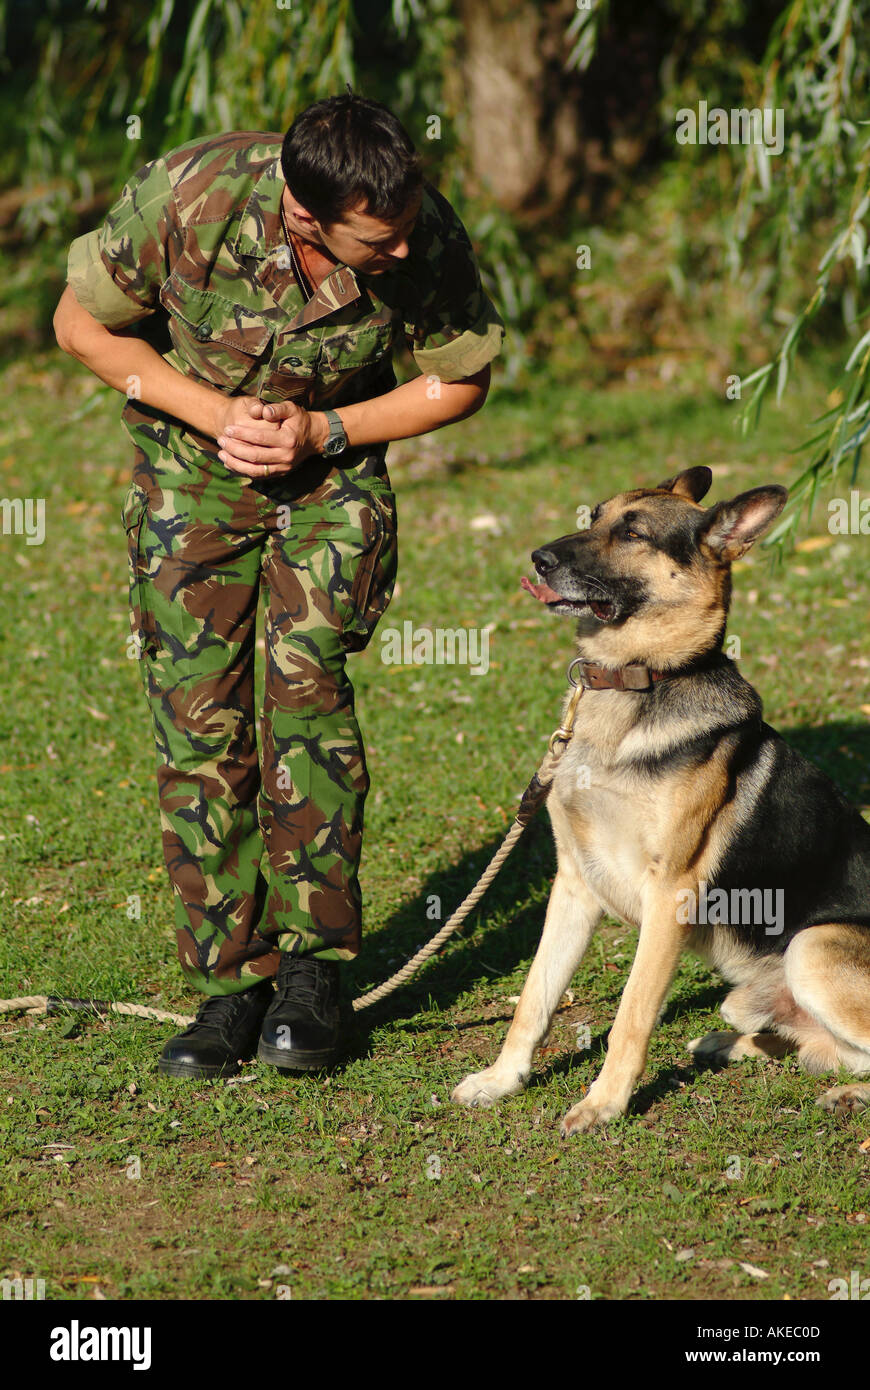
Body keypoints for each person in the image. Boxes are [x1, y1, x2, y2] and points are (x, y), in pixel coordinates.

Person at [53, 93, 504, 1079]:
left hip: (332, 474)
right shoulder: (189, 197)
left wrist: (326, 431)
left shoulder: (419, 230)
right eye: (375, 241)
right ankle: (228, 984)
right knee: (198, 718)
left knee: (304, 690)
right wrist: (212, 413)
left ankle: (311, 975)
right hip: (193, 472)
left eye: (404, 229)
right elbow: (83, 329)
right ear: (305, 214)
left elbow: (460, 379)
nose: (399, 251)